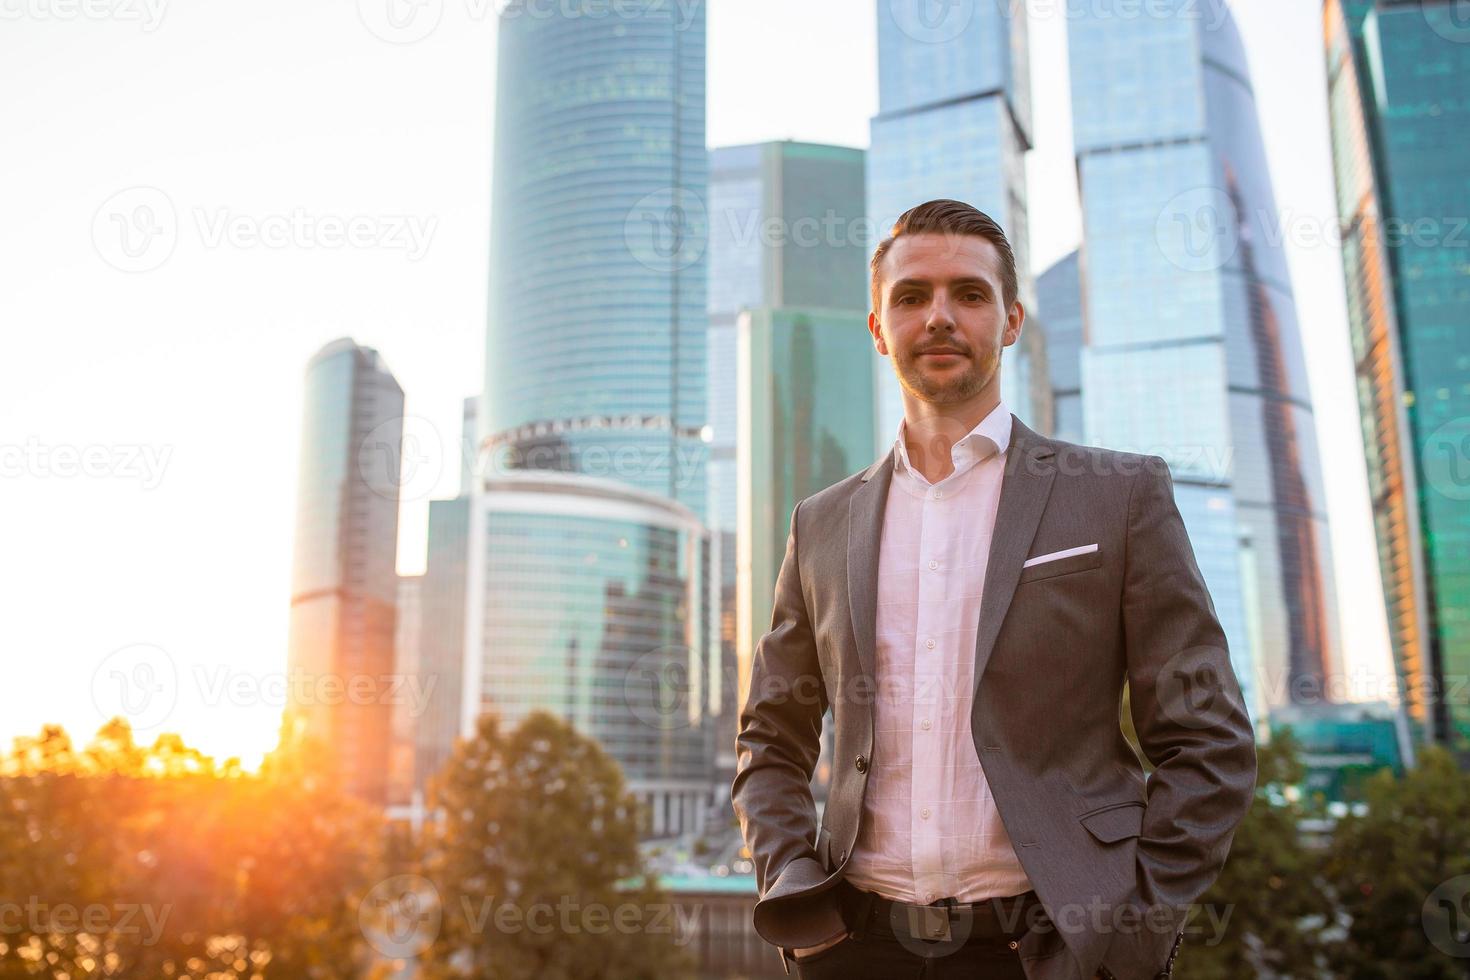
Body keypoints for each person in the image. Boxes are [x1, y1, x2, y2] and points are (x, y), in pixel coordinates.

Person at [731, 199, 1257, 979]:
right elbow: (771, 741)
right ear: (878, 328)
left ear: (1010, 320)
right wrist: (797, 900)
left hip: (1051, 949)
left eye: (968, 294)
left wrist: (1130, 934)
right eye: (911, 296)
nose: (939, 316)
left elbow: (1207, 739)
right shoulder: (822, 523)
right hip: (858, 947)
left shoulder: (1116, 496)